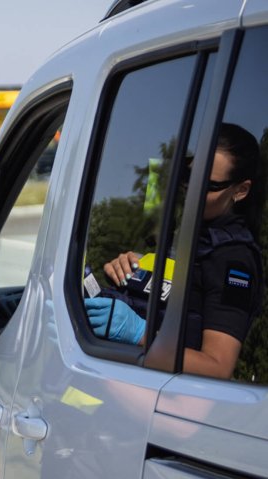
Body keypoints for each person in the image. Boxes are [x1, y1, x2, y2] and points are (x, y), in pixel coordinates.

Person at [85, 123, 263, 379]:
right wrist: (136, 269)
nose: (193, 190)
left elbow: (218, 366)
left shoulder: (234, 260)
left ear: (241, 190)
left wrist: (138, 333)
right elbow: (179, 292)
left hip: (174, 400)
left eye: (209, 185)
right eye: (190, 177)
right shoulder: (191, 231)